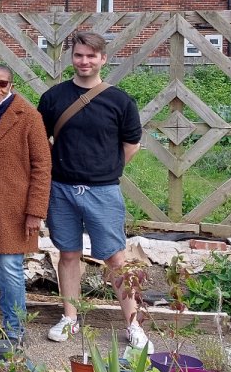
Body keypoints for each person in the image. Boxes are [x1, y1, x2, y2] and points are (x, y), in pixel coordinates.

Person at [37, 32, 149, 349]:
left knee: (116, 258)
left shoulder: (120, 101)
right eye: (79, 55)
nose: (84, 61)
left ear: (102, 58)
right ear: (71, 58)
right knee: (68, 254)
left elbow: (132, 145)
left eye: (91, 56)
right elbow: (41, 140)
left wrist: (105, 168)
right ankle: (70, 318)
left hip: (103, 191)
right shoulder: (53, 98)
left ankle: (133, 325)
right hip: (62, 189)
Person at [0, 64, 51, 341]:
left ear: (11, 85)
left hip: (15, 205)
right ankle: (9, 323)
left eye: (2, 83)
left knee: (10, 267)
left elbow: (42, 166)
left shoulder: (28, 116)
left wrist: (35, 211)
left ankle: (15, 331)